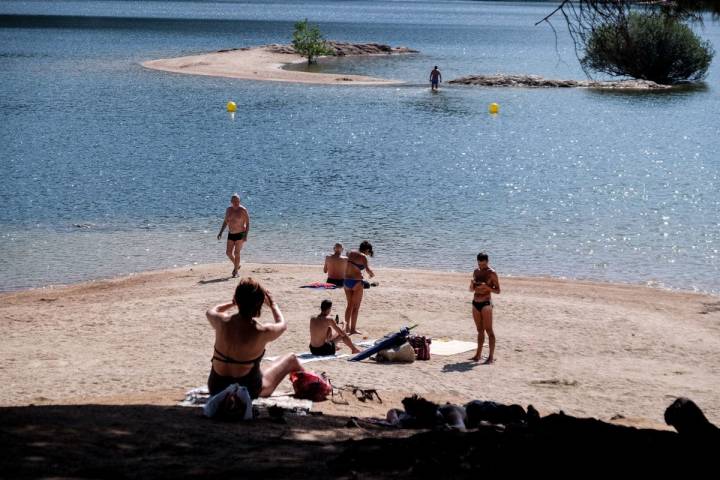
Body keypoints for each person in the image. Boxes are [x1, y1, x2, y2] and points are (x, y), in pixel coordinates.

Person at [206, 278, 303, 398]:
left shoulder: (221, 322)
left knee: (259, 367)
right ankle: (308, 388)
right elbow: (282, 325)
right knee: (291, 359)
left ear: (237, 298)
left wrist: (233, 302)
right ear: (259, 304)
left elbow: (211, 311)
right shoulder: (261, 331)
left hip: (216, 388)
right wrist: (273, 305)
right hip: (248, 391)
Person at [468, 252, 500, 364]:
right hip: (475, 303)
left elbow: (498, 290)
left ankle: (491, 357)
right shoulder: (476, 271)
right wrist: (472, 285)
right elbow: (471, 290)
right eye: (479, 264)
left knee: (489, 330)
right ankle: (478, 355)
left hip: (486, 303)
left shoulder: (492, 273)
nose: (481, 266)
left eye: (483, 264)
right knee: (479, 330)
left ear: (487, 262)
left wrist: (487, 287)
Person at [344, 241, 375, 335]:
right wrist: (372, 274)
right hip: (357, 282)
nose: (368, 254)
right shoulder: (363, 256)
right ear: (367, 250)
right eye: (369, 252)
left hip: (346, 281)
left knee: (349, 305)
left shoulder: (350, 252)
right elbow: (368, 270)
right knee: (356, 307)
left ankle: (346, 328)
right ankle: (353, 330)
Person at [217, 193, 250, 277]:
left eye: (237, 201)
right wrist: (220, 232)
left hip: (240, 234)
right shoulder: (228, 210)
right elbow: (225, 221)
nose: (236, 202)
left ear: (239, 201)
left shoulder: (243, 210)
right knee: (228, 253)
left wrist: (245, 235)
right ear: (231, 201)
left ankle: (236, 271)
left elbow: (248, 223)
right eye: (234, 201)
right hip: (231, 233)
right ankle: (237, 265)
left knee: (237, 253)